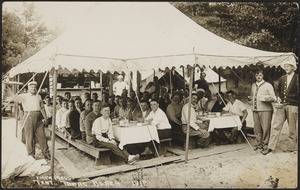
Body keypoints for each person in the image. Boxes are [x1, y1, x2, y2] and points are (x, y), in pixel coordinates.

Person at [262, 62, 298, 155]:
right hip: (281, 106)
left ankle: (292, 147)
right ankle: (270, 147)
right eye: (285, 66)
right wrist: (278, 96)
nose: (286, 68)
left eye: (288, 66)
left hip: (293, 105)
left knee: (292, 128)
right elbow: (278, 90)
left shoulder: (297, 78)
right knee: (276, 125)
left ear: (293, 67)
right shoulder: (282, 78)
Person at [15, 81, 50, 159]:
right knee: (30, 137)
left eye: (35, 87)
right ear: (28, 88)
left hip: (38, 117)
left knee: (42, 136)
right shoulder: (23, 96)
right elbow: (14, 98)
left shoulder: (39, 96)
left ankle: (46, 153)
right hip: (28, 116)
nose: (33, 88)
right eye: (31, 87)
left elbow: (42, 107)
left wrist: (45, 117)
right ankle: (31, 154)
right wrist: (8, 88)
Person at [248, 69, 276, 151]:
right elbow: (251, 97)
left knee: (266, 128)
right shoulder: (253, 85)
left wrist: (268, 98)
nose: (258, 77)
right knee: (257, 128)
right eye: (256, 75)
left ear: (263, 76)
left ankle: (266, 144)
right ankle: (259, 143)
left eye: (260, 75)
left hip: (266, 110)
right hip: (255, 110)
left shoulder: (268, 85)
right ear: (254, 76)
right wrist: (250, 100)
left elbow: (274, 97)